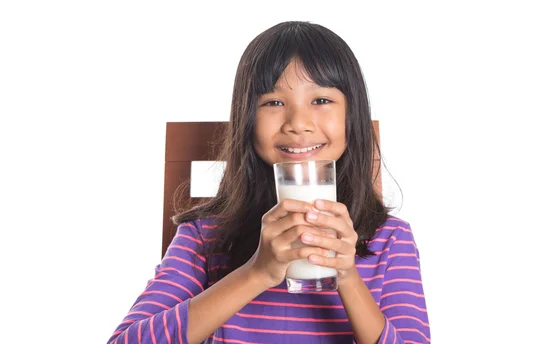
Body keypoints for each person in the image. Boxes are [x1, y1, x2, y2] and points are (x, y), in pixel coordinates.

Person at [108, 21, 430, 344]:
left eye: (320, 100)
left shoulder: (390, 241)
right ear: (247, 120)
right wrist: (256, 273)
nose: (298, 124)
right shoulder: (203, 239)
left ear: (352, 116)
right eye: (273, 102)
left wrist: (346, 276)